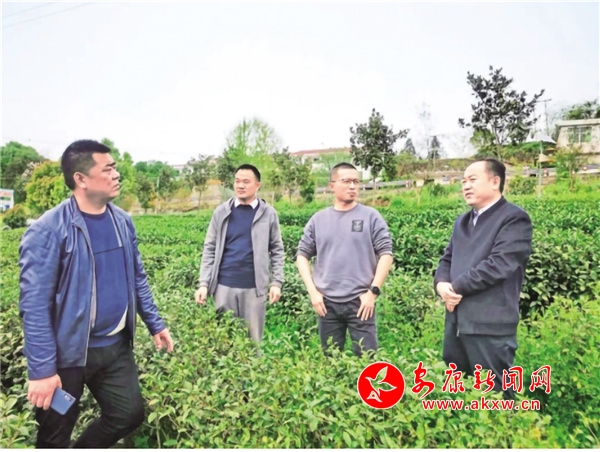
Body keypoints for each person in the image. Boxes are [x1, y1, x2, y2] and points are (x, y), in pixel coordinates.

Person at [18, 140, 174, 448]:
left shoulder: (122, 222)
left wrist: (155, 323)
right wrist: (42, 371)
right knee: (55, 434)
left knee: (127, 414)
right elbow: (34, 306)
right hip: (67, 359)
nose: (116, 174)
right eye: (108, 169)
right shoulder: (48, 230)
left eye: (115, 168)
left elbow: (137, 277)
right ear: (81, 179)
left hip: (114, 348)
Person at [433, 158, 533, 398]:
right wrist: (441, 285)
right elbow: (447, 259)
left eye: (472, 179)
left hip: (490, 326)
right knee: (459, 394)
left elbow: (499, 265)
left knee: (495, 397)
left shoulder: (514, 218)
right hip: (457, 322)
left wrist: (455, 288)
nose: (466, 186)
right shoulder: (462, 221)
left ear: (495, 182)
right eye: (463, 181)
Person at [296, 162, 393, 357]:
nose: (353, 186)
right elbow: (302, 255)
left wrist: (372, 292)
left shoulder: (371, 216)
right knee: (331, 360)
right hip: (327, 304)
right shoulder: (318, 219)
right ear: (332, 185)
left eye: (356, 182)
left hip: (361, 301)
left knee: (367, 360)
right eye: (347, 181)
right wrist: (313, 292)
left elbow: (386, 254)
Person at [195, 164, 284, 343]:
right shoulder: (221, 212)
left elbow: (277, 249)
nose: (240, 186)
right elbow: (210, 248)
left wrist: (276, 282)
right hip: (223, 287)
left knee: (253, 343)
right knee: (223, 342)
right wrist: (204, 283)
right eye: (237, 181)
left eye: (246, 182)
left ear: (257, 185)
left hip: (254, 289)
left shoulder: (268, 214)